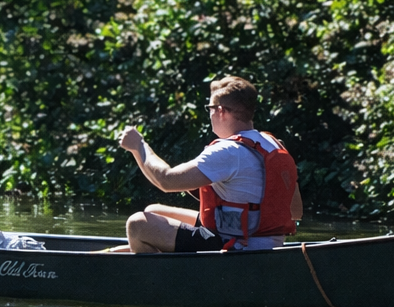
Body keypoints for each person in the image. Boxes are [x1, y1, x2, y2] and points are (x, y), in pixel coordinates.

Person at [117, 75, 303, 253]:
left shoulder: (229, 151)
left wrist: (139, 146)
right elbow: (296, 212)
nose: (210, 114)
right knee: (153, 211)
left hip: (235, 245)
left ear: (220, 111)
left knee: (138, 225)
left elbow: (166, 180)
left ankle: (162, 281)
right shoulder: (272, 144)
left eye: (210, 108)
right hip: (263, 241)